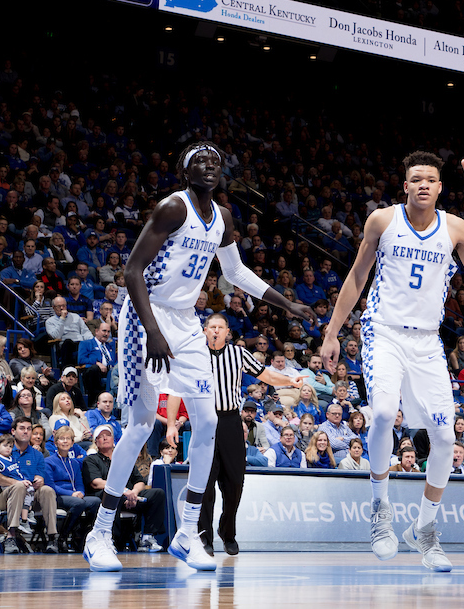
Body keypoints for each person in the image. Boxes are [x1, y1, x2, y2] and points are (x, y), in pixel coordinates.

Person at [83, 142, 313, 573]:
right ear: (185, 171)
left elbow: (235, 272)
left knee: (208, 422)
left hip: (187, 320)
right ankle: (100, 532)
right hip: (143, 315)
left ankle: (188, 533)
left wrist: (287, 304)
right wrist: (151, 332)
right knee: (138, 425)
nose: (209, 167)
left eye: (216, 162)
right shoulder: (173, 208)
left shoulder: (223, 217)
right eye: (200, 161)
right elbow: (132, 271)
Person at [321, 151, 464, 572]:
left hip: (428, 343)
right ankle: (380, 511)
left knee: (447, 440)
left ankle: (425, 530)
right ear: (406, 185)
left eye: (430, 179)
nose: (423, 185)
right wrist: (331, 332)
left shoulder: (456, 228)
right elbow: (358, 276)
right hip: (383, 333)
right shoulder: (382, 221)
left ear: (439, 187)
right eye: (416, 179)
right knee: (380, 414)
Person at [185, 312, 303, 557]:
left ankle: (227, 533)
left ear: (228, 332)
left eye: (221, 327)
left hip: (229, 420)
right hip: (204, 420)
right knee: (204, 484)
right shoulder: (195, 354)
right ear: (205, 330)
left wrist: (290, 381)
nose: (216, 330)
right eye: (212, 326)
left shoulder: (238, 354)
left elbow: (266, 374)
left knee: (235, 482)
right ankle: (203, 536)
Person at [81, 425, 168, 552]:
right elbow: (96, 483)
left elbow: (139, 481)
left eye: (108, 435)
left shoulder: (124, 458)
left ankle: (147, 537)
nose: (105, 438)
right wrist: (124, 491)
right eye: (101, 437)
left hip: (130, 496)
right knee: (112, 495)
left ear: (113, 439)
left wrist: (133, 492)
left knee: (157, 494)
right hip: (106, 497)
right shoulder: (91, 459)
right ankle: (111, 539)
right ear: (96, 442)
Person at [0, 417, 60, 553]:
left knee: (47, 490)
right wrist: (17, 483)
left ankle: (52, 537)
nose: (26, 432)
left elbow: (40, 475)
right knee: (18, 487)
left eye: (29, 429)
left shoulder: (37, 454)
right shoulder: (4, 450)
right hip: (2, 497)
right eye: (22, 428)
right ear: (13, 431)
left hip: (30, 496)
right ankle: (11, 536)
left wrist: (39, 480)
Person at [44, 426, 100, 552]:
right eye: (62, 439)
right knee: (79, 503)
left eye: (68, 439)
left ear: (72, 442)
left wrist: (81, 492)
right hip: (58, 496)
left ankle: (81, 534)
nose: (65, 441)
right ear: (56, 442)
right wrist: (72, 494)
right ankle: (62, 537)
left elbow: (79, 483)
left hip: (75, 496)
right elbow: (51, 486)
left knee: (95, 501)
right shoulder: (49, 461)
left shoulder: (74, 463)